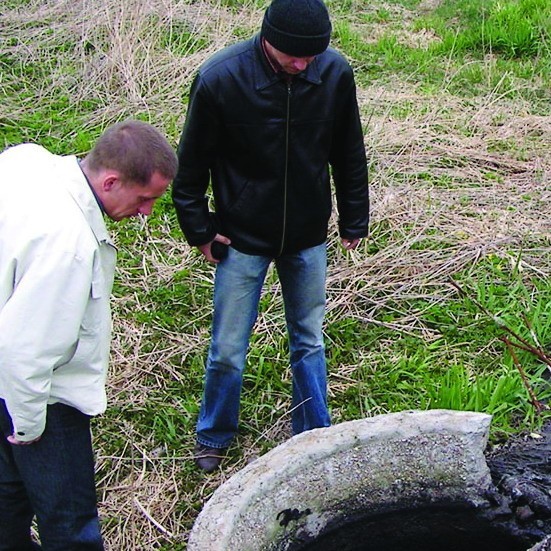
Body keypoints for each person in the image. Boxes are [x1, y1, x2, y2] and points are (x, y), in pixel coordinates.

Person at [172, 0, 369, 473]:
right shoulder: (220, 79)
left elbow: (349, 152)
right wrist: (199, 228)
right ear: (267, 39)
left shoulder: (334, 73)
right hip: (241, 238)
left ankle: (314, 435)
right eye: (293, 57)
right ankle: (215, 434)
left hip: (307, 236)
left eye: (312, 57)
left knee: (309, 339)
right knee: (227, 348)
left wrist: (353, 219)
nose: (303, 65)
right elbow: (190, 167)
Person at [0, 120, 178, 550]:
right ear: (111, 180)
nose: (146, 212)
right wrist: (27, 428)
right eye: (144, 198)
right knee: (70, 523)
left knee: (6, 497)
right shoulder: (69, 245)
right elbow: (24, 350)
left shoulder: (26, 161)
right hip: (41, 400)